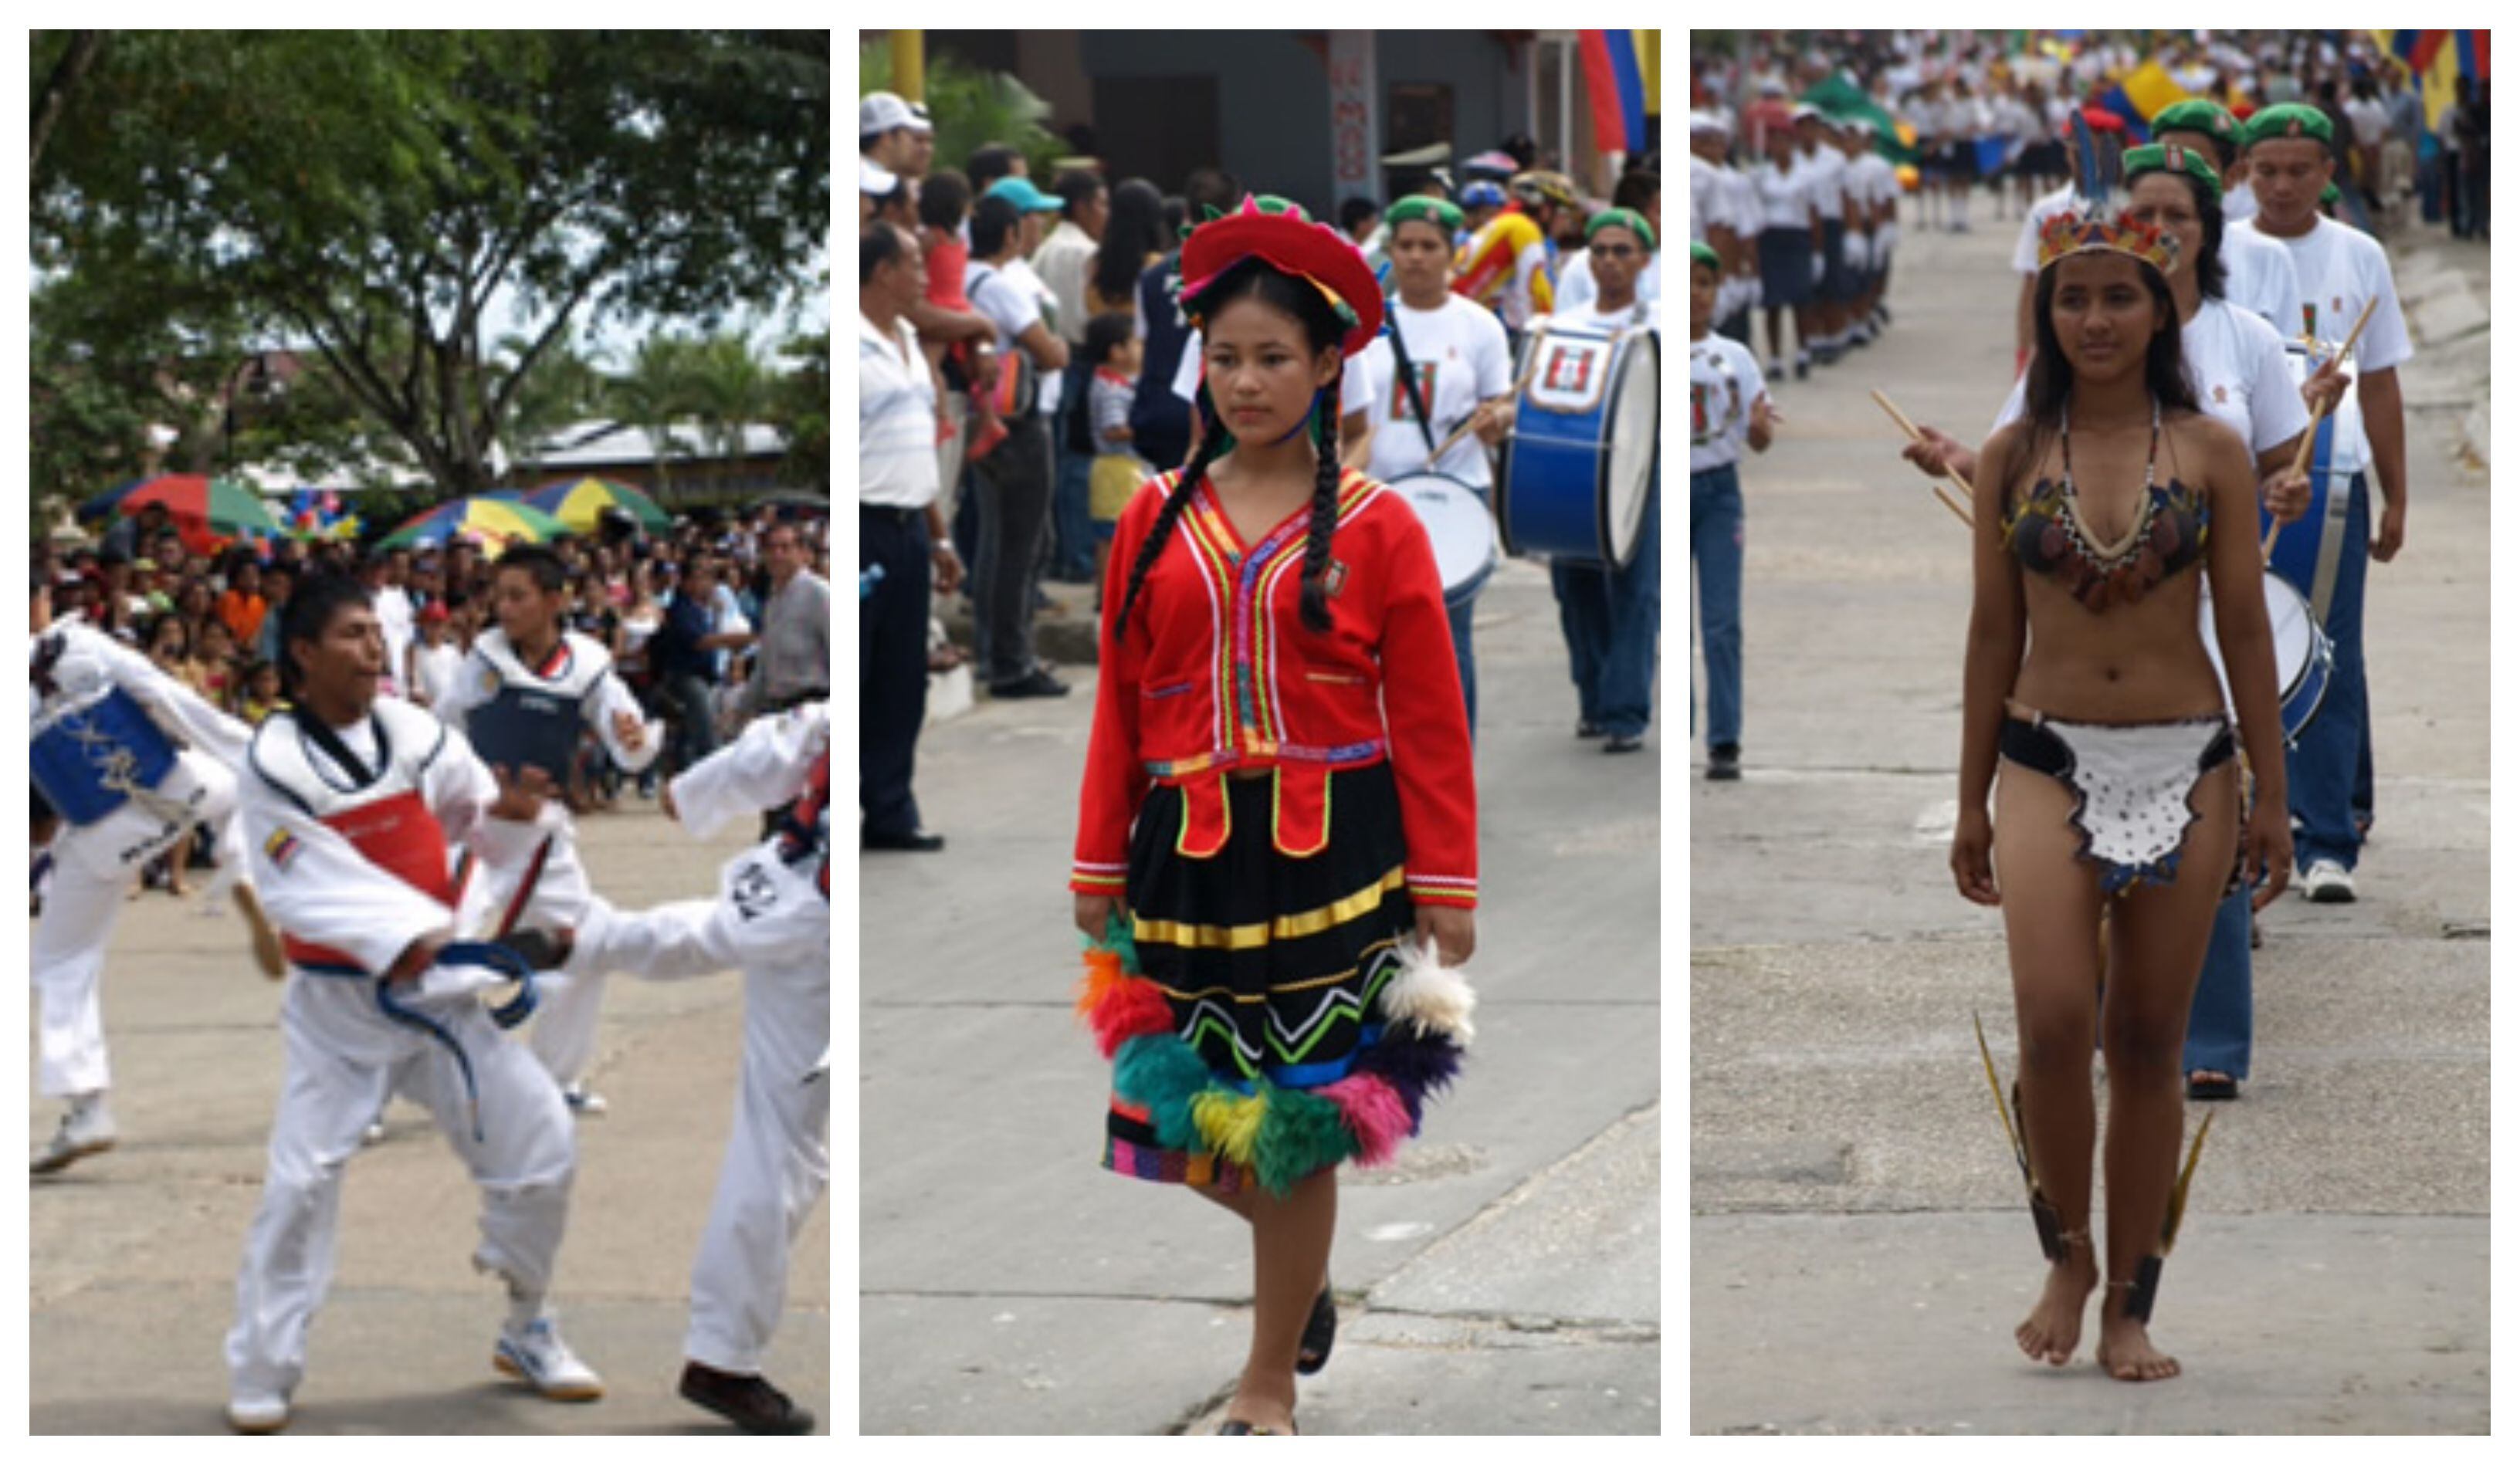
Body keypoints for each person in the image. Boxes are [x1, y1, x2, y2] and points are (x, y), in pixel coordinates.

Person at [1070, 198, 1478, 1436]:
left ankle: (1264, 1381)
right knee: (1174, 1127)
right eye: (1228, 357)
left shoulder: (1382, 527)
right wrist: (1097, 858)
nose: (1246, 382)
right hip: (1185, 862)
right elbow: (1121, 701)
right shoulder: (1150, 521)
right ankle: (1297, 1279)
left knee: (1297, 1130)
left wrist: (1448, 884)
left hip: (1334, 862)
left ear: (1325, 367)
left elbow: (1430, 719)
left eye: (1275, 358)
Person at [1952, 209, 2291, 1385]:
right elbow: (1992, 629)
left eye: (2119, 296)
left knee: (2147, 1038)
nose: (2095, 320)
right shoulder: (2013, 453)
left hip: (2190, 758)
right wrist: (1969, 801)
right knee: (2054, 1019)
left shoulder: (2211, 450)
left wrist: (2271, 794)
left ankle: (2133, 1304)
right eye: (2072, 298)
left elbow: (2246, 623)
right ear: (2044, 315)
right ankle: (2070, 1255)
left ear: (2162, 308)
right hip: (2045, 756)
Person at [221, 573, 598, 1433]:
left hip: (445, 1000)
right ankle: (264, 1362)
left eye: (374, 633)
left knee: (543, 1136)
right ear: (304, 654)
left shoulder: (413, 727)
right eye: (352, 634)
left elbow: (474, 809)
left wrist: (517, 806)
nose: (372, 648)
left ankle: (527, 1320)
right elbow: (301, 886)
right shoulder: (275, 761)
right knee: (299, 1185)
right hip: (339, 1012)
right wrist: (422, 931)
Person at [554, 702, 829, 1433]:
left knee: (702, 940)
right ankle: (724, 1357)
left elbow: (796, 735)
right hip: (818, 909)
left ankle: (588, 939)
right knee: (782, 1154)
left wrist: (697, 792)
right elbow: (803, 734)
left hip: (799, 880)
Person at [30, 599, 282, 1173]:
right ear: (39, 602)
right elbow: (172, 701)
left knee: (62, 960)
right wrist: (257, 755)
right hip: (184, 788)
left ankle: (87, 1106)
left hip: (102, 834)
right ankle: (241, 869)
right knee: (247, 794)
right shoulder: (86, 643)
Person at [2238, 102, 2413, 903]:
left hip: (2333, 482)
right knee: (2245, 652)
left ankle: (2328, 838)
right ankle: (2246, 820)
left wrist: (2396, 495)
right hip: (2242, 480)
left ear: (2328, 175)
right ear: (2245, 173)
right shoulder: (2224, 254)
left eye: (2299, 170)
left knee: (2329, 654)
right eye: (2266, 170)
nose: (2281, 186)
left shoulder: (2360, 253)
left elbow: (2379, 382)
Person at [1333, 194, 1514, 734]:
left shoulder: (1480, 326)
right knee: (1374, 640)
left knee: (1450, 641)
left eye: (1429, 246)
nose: (1416, 257)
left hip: (1456, 496)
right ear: (1389, 250)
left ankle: (1454, 768)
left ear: (1452, 253)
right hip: (1378, 495)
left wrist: (1495, 420)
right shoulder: (1364, 328)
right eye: (1405, 245)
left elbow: (1502, 404)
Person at [1542, 210, 1669, 757]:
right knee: (1576, 590)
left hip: (1643, 466)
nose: (1610, 262)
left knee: (1637, 592)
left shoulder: (1661, 323)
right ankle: (1592, 699)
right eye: (1599, 251)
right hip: (1576, 469)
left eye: (1622, 251)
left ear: (1644, 260)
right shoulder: (1564, 324)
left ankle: (1625, 711)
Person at [860, 220, 959, 853]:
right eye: (914, 263)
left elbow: (920, 449)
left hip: (910, 526)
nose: (925, 275)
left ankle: (892, 808)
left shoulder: (906, 340)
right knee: (862, 670)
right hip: (867, 521)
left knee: (902, 676)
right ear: (881, 272)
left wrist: (940, 537)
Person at [966, 192, 1073, 698]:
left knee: (996, 542)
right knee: (1023, 547)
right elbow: (1049, 354)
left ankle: (996, 653)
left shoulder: (964, 280)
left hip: (980, 420)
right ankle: (1013, 660)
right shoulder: (1003, 286)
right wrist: (1061, 348)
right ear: (1010, 235)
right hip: (1020, 425)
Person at [1682, 239, 1773, 780]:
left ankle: (1725, 739)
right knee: (1673, 623)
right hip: (1667, 490)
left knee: (1721, 621)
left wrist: (1760, 430)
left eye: (1704, 283)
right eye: (1685, 282)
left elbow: (1758, 436)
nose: (1694, 294)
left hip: (1718, 491)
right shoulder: (1652, 348)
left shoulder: (1735, 357)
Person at [1082, 311, 1149, 584]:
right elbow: (1114, 430)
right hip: (1117, 470)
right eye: (1135, 342)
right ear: (1117, 352)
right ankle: (1111, 591)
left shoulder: (1118, 382)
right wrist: (1150, 429)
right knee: (1112, 533)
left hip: (1122, 468)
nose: (1141, 348)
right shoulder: (1111, 388)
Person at [1753, 117, 1821, 381]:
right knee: (1773, 302)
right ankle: (1776, 357)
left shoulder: (1806, 175)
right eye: (1775, 142)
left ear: (1792, 145)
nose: (1780, 147)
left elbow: (1814, 213)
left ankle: (1803, 352)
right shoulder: (1761, 175)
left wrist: (1818, 251)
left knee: (1801, 300)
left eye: (1784, 142)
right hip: (1771, 236)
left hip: (1798, 236)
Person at [740, 522, 829, 719]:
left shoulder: (819, 593)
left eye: (785, 548)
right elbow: (764, 662)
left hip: (812, 708)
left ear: (800, 552)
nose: (777, 555)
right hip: (776, 709)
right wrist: (742, 708)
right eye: (771, 549)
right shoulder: (772, 600)